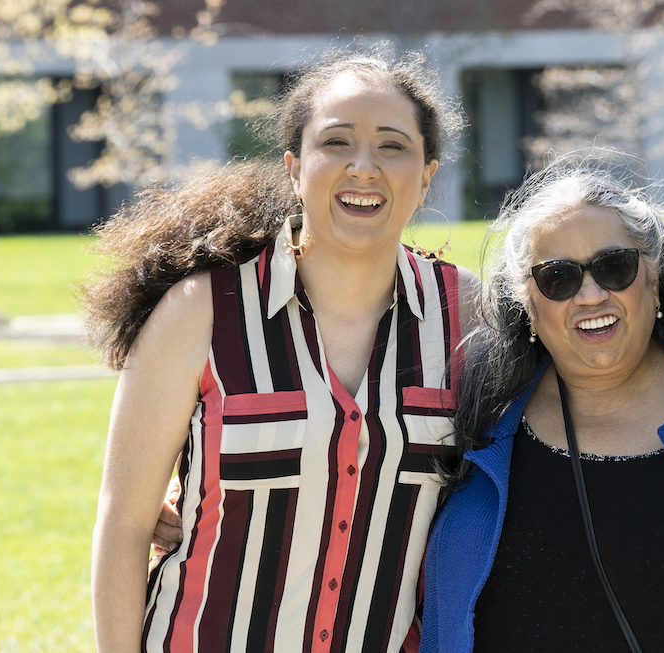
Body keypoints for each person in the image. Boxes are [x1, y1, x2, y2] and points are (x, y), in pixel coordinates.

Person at [87, 45, 474, 653]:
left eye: (393, 146)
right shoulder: (199, 312)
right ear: (294, 167)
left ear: (427, 176)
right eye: (337, 142)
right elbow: (125, 525)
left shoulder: (468, 316)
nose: (364, 167)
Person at [420, 152, 664, 653]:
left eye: (614, 267)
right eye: (558, 278)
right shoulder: (478, 420)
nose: (589, 295)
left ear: (654, 277)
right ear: (527, 302)